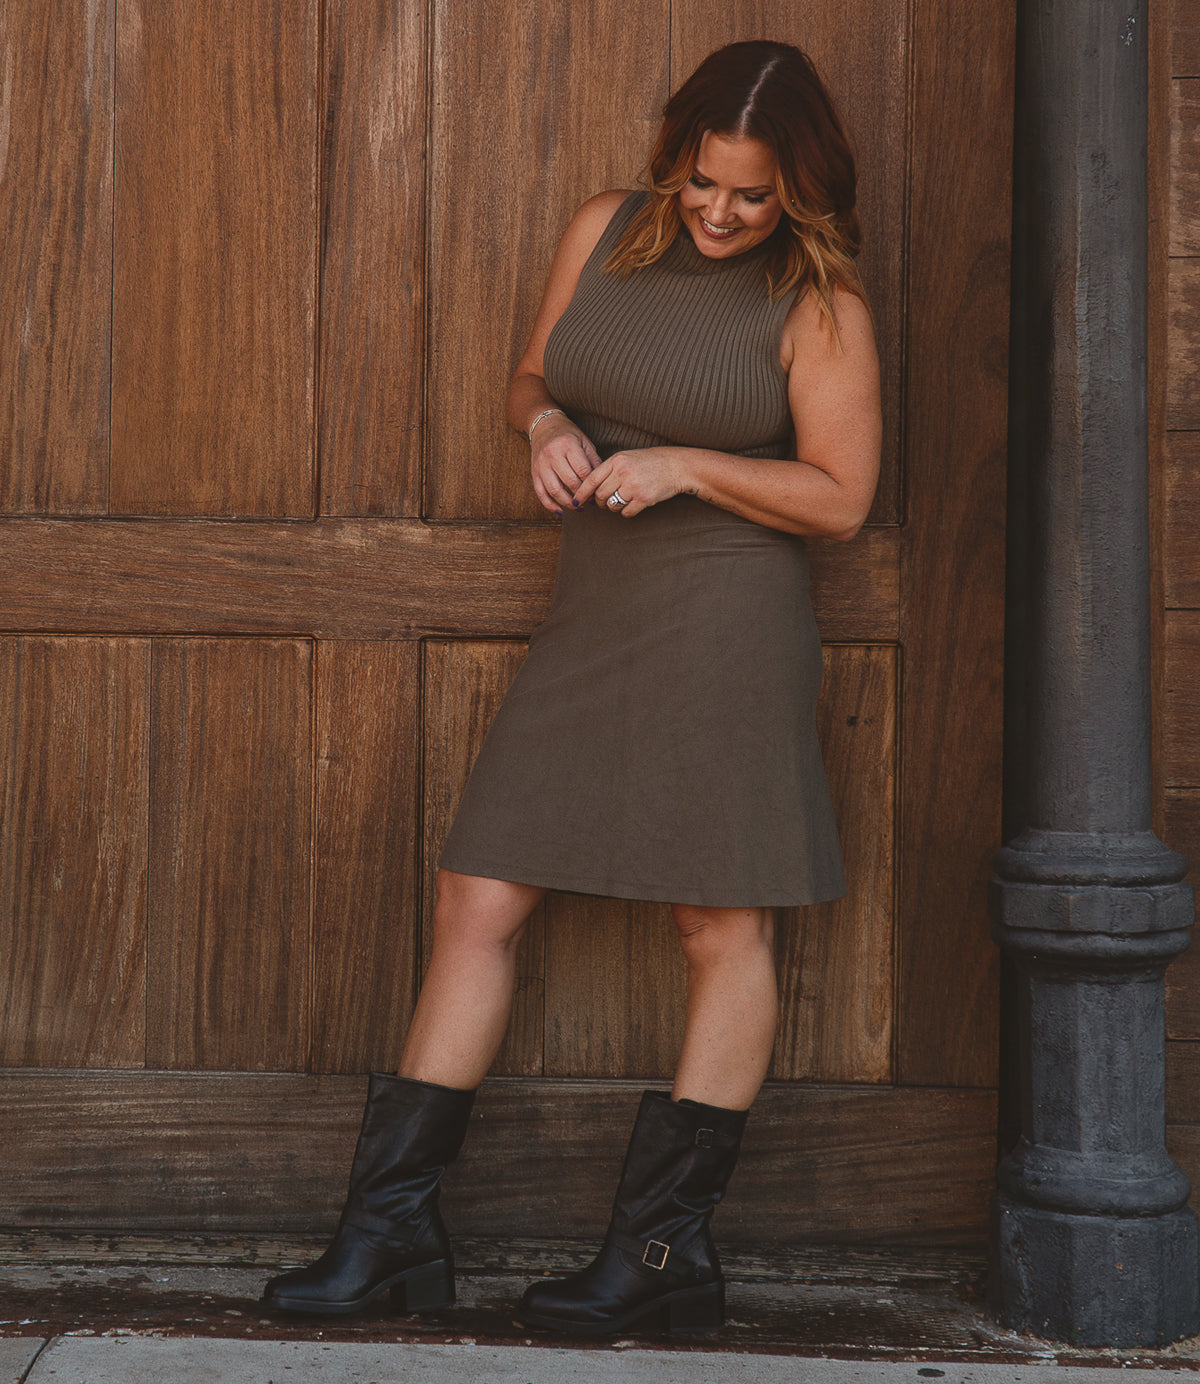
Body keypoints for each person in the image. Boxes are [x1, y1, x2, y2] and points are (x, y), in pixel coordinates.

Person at [262, 38, 881, 1336]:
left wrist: (691, 467)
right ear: (676, 158)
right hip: (595, 610)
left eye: (752, 196)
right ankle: (389, 1236)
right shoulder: (610, 228)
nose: (718, 213)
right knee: (478, 890)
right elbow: (532, 377)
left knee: (720, 924)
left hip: (727, 619)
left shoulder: (820, 307)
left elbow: (841, 498)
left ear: (801, 194)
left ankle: (660, 1263)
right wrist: (544, 425)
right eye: (704, 182)